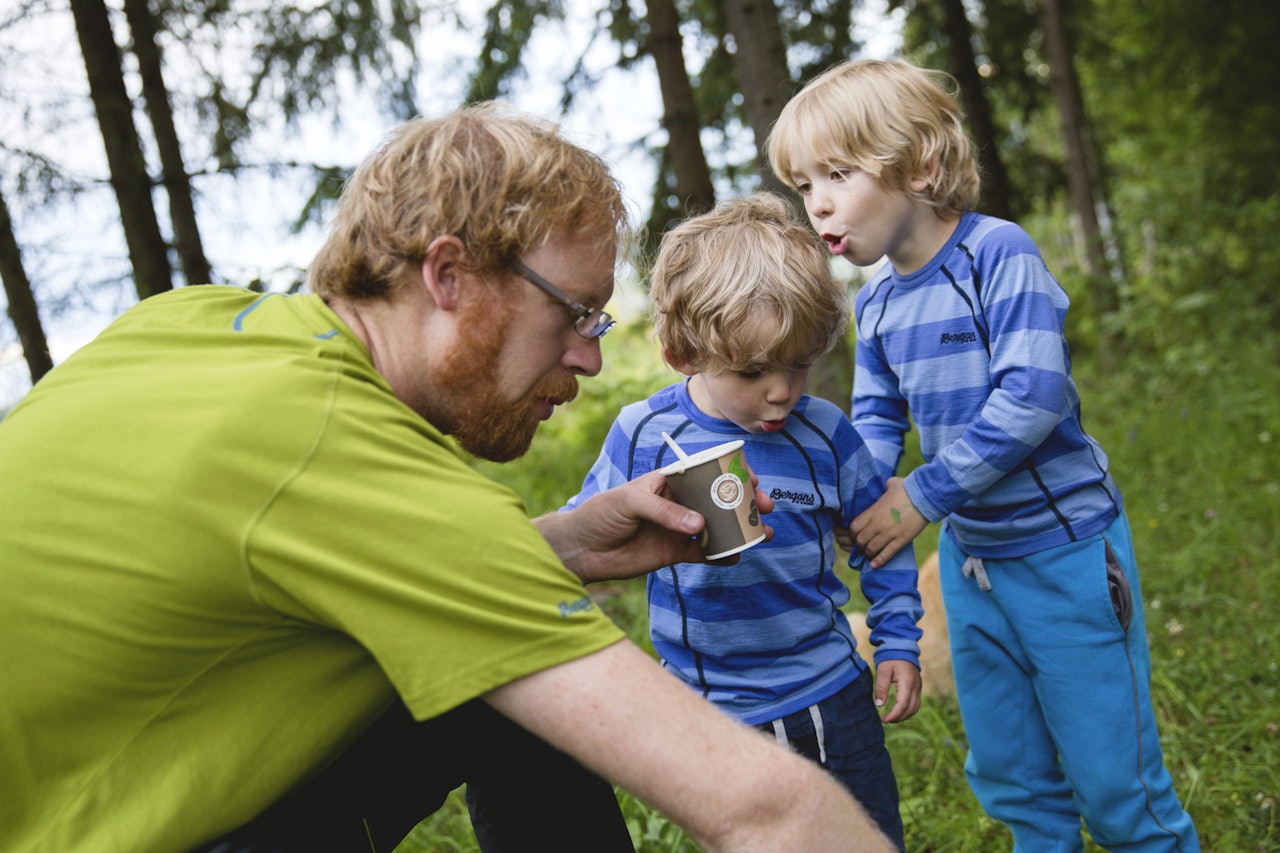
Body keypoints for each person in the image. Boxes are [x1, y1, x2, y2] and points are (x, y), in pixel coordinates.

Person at [0, 102, 898, 853]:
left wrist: (566, 543)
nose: (590, 356)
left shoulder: (190, 323)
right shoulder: (358, 464)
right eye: (576, 313)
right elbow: (764, 809)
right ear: (449, 275)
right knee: (520, 693)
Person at [767, 58, 1200, 852]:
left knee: (1116, 785)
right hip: (973, 569)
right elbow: (875, 419)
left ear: (922, 165)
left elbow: (1033, 397)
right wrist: (851, 497)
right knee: (1013, 776)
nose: (818, 202)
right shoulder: (880, 303)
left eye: (838, 173)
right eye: (803, 185)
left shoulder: (997, 255)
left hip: (1065, 553)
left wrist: (920, 496)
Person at [564, 192, 923, 851]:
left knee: (867, 836)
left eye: (799, 363)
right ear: (683, 355)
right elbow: (578, 530)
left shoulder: (827, 435)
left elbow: (880, 542)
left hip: (834, 694)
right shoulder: (646, 434)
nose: (782, 390)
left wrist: (897, 640)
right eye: (754, 371)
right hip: (713, 713)